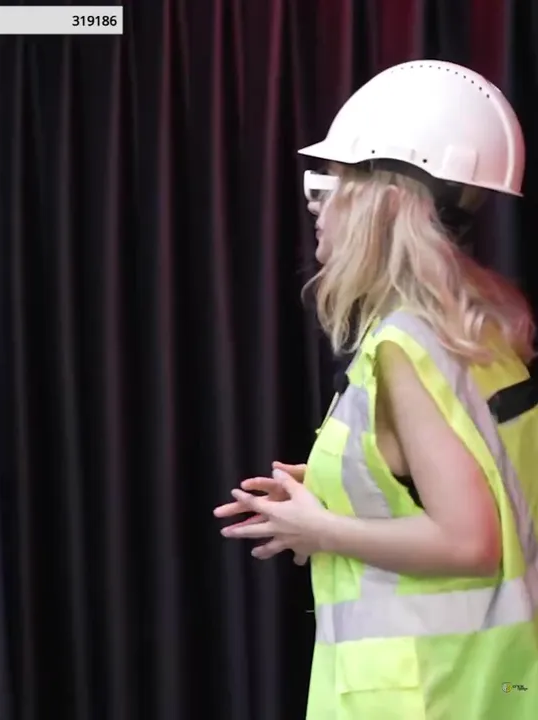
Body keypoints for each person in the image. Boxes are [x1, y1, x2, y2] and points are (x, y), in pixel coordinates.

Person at [214, 60, 538, 718]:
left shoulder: (407, 347)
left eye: (328, 185)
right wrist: (333, 485)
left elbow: (470, 543)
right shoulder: (481, 326)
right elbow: (461, 479)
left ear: (383, 203)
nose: (317, 210)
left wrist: (319, 528)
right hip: (491, 684)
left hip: (422, 696)